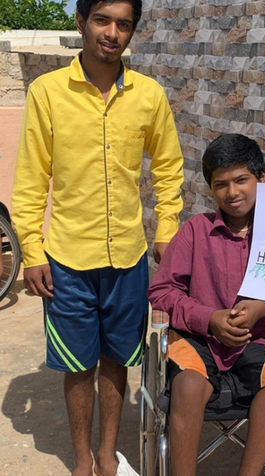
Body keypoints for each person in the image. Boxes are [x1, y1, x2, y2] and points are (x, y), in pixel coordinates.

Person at [11, 0, 183, 474]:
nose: (112, 33)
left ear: (132, 31)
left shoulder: (149, 95)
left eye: (123, 24)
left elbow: (169, 168)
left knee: (117, 359)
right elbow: (31, 179)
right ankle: (82, 457)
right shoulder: (48, 92)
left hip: (128, 255)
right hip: (67, 257)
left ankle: (107, 451)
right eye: (102, 20)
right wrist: (32, 250)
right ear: (81, 22)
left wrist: (167, 228)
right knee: (77, 362)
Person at [148, 133, 265, 476]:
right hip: (199, 339)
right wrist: (208, 318)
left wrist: (263, 309)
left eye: (242, 180)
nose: (232, 192)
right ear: (211, 189)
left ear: (262, 178)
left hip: (259, 338)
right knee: (187, 385)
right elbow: (161, 291)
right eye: (221, 184)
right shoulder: (195, 231)